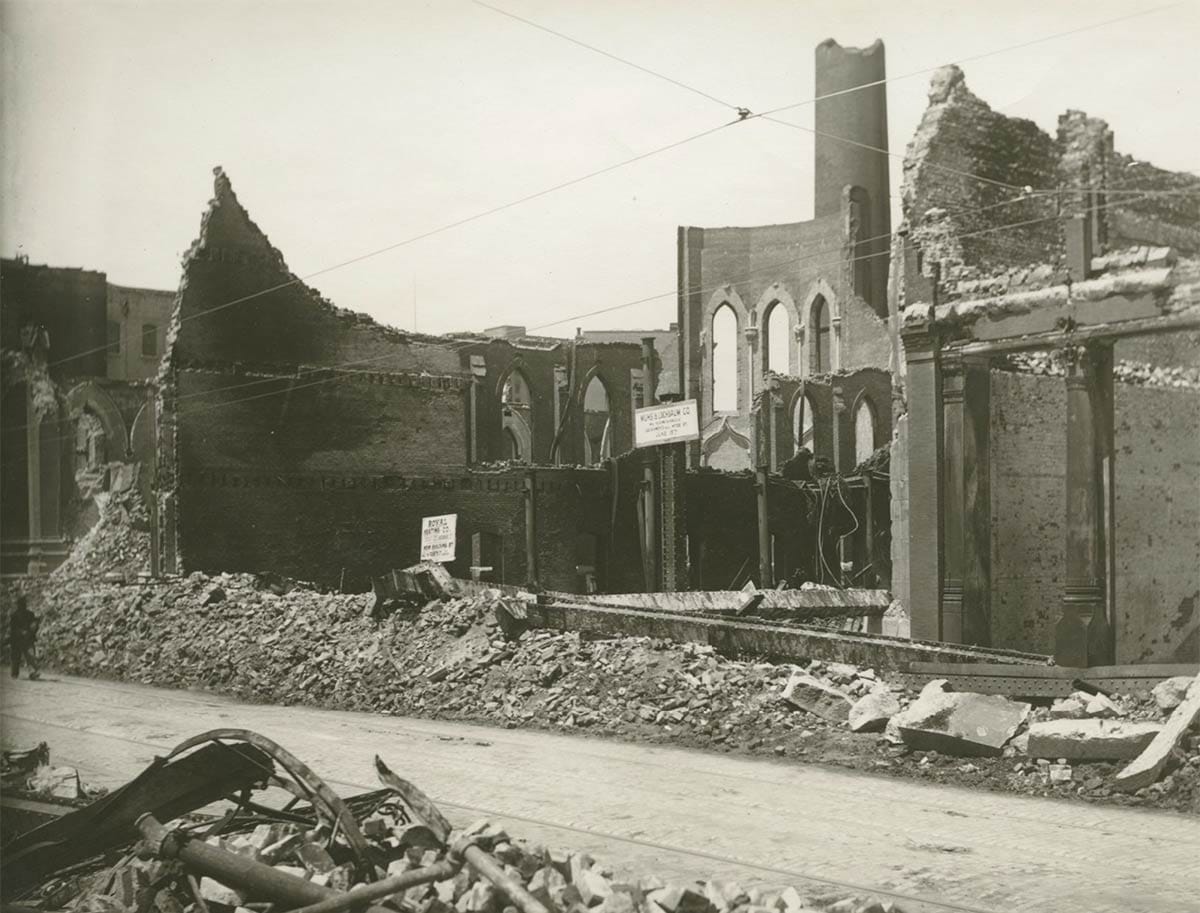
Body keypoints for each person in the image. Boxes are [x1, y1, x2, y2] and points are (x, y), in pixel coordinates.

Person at [8, 595, 42, 680]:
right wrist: (21, 632)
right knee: (16, 657)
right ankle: (14, 673)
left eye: (23, 604)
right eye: (21, 604)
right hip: (17, 639)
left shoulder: (30, 614)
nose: (22, 606)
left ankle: (33, 673)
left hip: (27, 638)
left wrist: (34, 628)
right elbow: (13, 628)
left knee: (30, 655)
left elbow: (34, 626)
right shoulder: (14, 615)